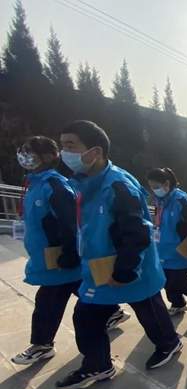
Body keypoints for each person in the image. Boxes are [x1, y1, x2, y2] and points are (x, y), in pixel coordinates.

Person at [55, 120, 181, 389]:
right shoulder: (79, 184)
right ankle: (98, 364)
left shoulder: (119, 186)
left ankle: (169, 343)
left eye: (71, 146)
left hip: (131, 266)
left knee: (149, 311)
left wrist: (124, 271)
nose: (64, 153)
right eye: (62, 145)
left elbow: (137, 232)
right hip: (99, 268)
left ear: (95, 151)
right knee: (85, 316)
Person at [11, 136, 127, 366]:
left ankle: (42, 344)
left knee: (48, 301)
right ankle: (113, 311)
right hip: (49, 256)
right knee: (76, 287)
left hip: (58, 257)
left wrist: (69, 253)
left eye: (29, 151)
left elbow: (70, 223)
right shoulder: (35, 183)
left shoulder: (55, 186)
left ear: (47, 157)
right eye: (22, 150)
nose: (24, 155)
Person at [147, 168, 187, 316]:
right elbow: (154, 221)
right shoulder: (156, 201)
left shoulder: (180, 199)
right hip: (163, 250)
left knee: (177, 280)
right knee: (166, 280)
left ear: (166, 183)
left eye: (156, 186)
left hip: (181, 251)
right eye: (151, 187)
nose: (154, 190)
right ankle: (178, 303)